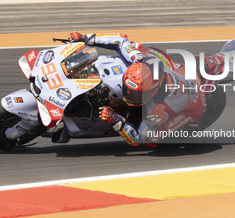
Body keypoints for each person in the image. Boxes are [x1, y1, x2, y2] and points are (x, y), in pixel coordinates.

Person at [68, 31, 226, 146]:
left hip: (193, 104)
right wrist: (85, 38)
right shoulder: (139, 61)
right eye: (127, 90)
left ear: (152, 92)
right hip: (174, 68)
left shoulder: (158, 108)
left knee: (151, 139)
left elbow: (137, 138)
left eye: (136, 95)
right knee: (137, 47)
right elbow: (120, 40)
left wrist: (115, 119)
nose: (128, 96)